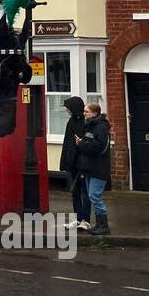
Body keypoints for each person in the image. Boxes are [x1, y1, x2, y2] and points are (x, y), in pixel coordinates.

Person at [75, 102, 113, 236]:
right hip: (89, 167)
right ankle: (99, 224)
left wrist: (81, 144)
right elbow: (90, 142)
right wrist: (83, 142)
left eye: (87, 111)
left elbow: (98, 146)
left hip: (98, 167)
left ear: (95, 113)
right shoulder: (90, 126)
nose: (84, 114)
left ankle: (104, 225)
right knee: (92, 196)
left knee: (94, 195)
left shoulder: (101, 127)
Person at [60, 96, 90, 231]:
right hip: (72, 162)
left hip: (83, 163)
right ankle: (78, 219)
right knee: (74, 192)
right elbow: (67, 143)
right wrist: (65, 161)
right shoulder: (71, 122)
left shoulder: (85, 123)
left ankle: (86, 220)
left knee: (85, 192)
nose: (67, 111)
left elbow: (85, 143)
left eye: (68, 108)